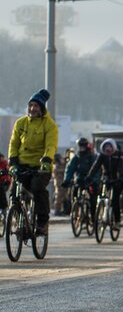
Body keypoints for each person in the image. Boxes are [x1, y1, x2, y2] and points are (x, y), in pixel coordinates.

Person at [8, 89, 58, 235]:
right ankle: (18, 220)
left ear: (41, 108)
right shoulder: (20, 123)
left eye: (36, 106)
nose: (32, 108)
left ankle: (42, 222)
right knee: (14, 192)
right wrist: (12, 161)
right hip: (22, 164)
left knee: (37, 187)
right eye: (30, 105)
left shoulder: (49, 125)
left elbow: (51, 145)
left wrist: (47, 159)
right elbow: (14, 143)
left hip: (41, 166)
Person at [86, 139, 123, 229]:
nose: (108, 150)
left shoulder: (119, 155)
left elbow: (121, 168)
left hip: (117, 180)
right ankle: (100, 214)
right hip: (106, 179)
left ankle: (117, 221)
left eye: (110, 148)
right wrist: (89, 176)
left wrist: (120, 178)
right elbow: (95, 166)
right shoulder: (102, 156)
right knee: (102, 196)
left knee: (115, 200)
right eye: (106, 148)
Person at [63, 138, 99, 216]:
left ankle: (93, 217)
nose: (82, 147)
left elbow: (96, 170)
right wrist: (67, 180)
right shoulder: (76, 157)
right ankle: (75, 212)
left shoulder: (92, 157)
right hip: (79, 180)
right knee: (74, 196)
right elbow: (70, 168)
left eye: (83, 145)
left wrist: (94, 180)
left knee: (93, 199)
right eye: (80, 145)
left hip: (90, 180)